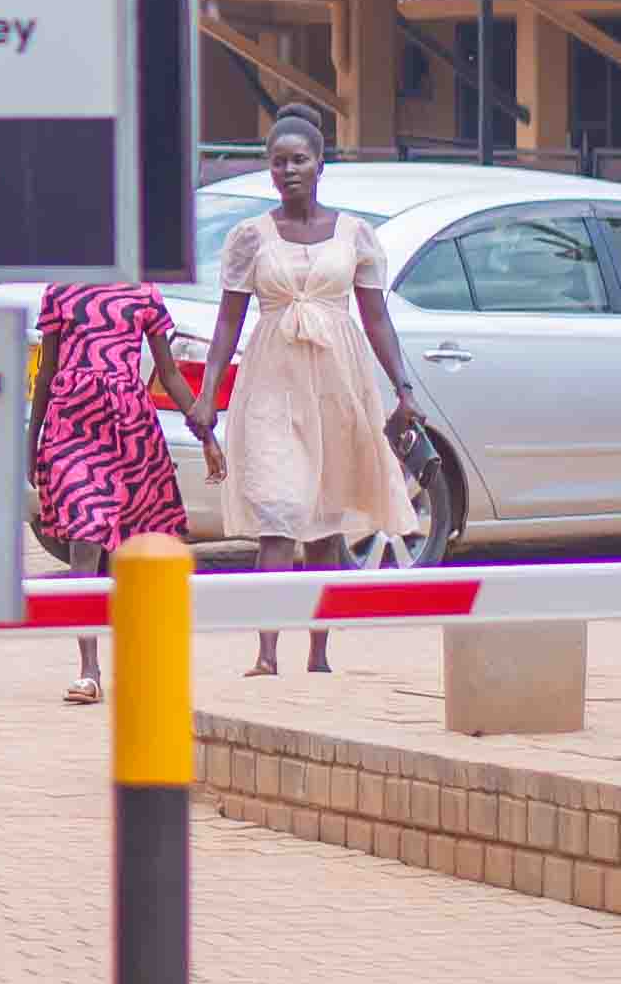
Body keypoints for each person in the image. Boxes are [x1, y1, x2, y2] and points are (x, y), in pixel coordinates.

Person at [184, 100, 436, 682]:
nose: (288, 170)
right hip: (271, 384)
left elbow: (376, 319)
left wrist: (403, 387)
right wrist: (208, 393)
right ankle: (267, 652)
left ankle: (319, 652)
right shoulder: (251, 238)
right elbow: (227, 321)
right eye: (278, 162)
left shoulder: (355, 235)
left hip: (336, 386)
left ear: (320, 164)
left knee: (324, 523)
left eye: (298, 160)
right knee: (277, 513)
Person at [22, 273, 185, 710]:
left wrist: (202, 427)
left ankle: (142, 661)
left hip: (130, 428)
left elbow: (166, 371)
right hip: (72, 423)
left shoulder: (145, 293)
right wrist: (32, 438)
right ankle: (89, 669)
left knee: (138, 551)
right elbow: (47, 371)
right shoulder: (61, 291)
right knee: (85, 538)